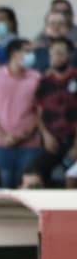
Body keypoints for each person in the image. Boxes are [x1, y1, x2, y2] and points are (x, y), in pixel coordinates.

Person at [0, 40, 41, 189]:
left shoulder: (36, 78)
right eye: (27, 51)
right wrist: (4, 136)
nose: (31, 55)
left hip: (30, 143)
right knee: (6, 185)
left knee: (27, 186)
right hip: (2, 143)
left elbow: (40, 111)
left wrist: (26, 134)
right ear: (14, 54)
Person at [35, 36, 77, 180]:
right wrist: (46, 135)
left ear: (69, 55)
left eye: (60, 53)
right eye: (52, 53)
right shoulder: (44, 82)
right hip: (52, 141)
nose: (55, 57)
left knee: (63, 177)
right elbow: (39, 112)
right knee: (31, 176)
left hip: (73, 140)